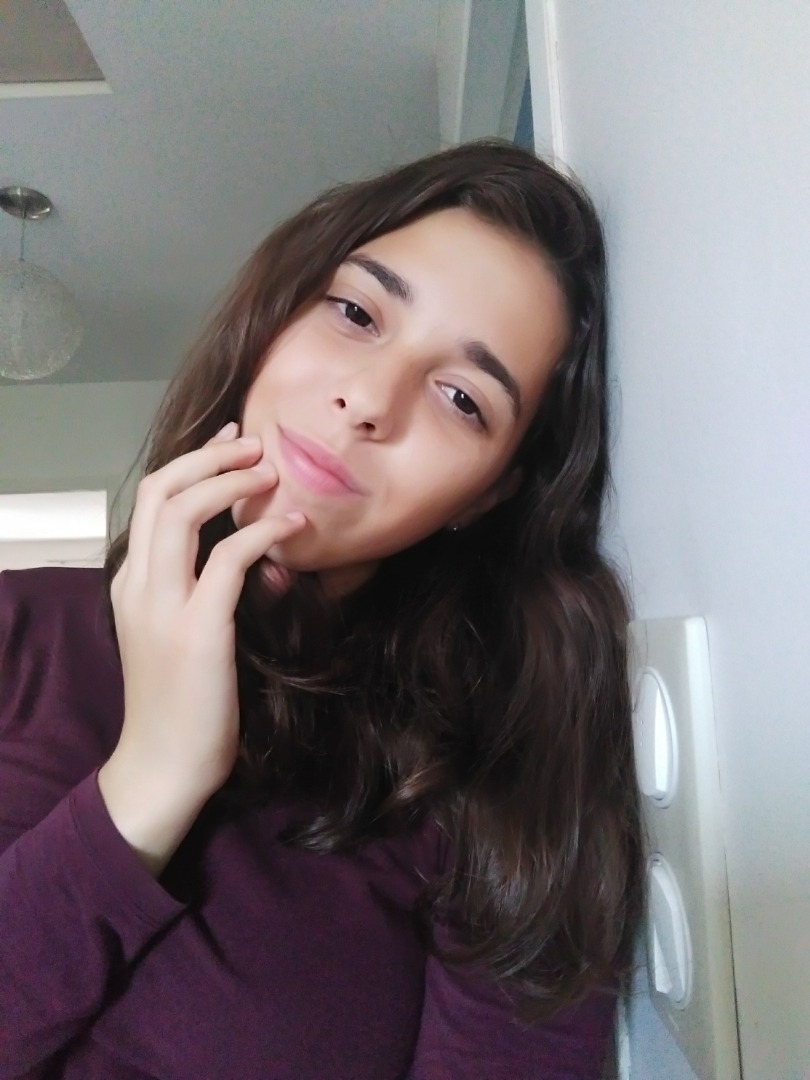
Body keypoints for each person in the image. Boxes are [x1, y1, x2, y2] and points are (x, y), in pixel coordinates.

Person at [0, 140, 644, 1079]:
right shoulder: (16, 629)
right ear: (276, 318)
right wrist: (149, 778)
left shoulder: (503, 779)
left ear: (487, 497)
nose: (368, 400)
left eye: (462, 398)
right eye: (356, 313)